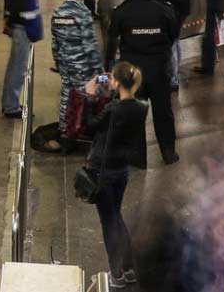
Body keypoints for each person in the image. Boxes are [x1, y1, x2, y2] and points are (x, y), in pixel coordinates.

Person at [83, 62, 148, 289]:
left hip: (103, 170)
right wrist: (110, 95)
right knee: (116, 217)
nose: (108, 81)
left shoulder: (113, 110)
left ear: (118, 83)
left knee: (109, 223)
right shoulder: (141, 108)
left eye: (111, 79)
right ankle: (128, 269)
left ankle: (116, 274)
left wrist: (90, 97)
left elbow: (90, 125)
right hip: (122, 171)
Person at [106, 0, 180, 164]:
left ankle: (137, 158)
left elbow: (112, 40)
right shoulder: (165, 10)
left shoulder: (121, 11)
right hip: (159, 70)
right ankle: (168, 153)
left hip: (133, 74)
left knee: (134, 114)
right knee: (163, 112)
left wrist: (109, 68)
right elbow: (174, 35)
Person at [51, 0, 103, 146]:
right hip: (82, 65)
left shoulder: (57, 12)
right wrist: (98, 69)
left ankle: (64, 129)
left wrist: (58, 61)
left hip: (65, 63)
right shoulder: (83, 13)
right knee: (85, 96)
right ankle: (82, 130)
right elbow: (89, 44)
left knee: (66, 94)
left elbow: (55, 42)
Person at [2, 0, 44, 118]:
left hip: (20, 27)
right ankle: (11, 107)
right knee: (18, 69)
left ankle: (9, 103)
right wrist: (31, 28)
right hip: (23, 29)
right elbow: (21, 8)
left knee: (14, 67)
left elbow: (9, 2)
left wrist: (8, 20)